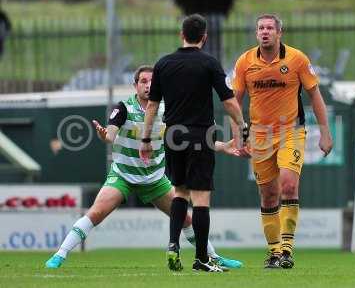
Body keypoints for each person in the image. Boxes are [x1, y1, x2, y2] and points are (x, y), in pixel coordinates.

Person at [45, 65, 243, 269]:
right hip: (123, 175)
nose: (148, 86)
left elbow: (191, 139)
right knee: (95, 213)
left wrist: (221, 146)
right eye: (143, 82)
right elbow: (111, 135)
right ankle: (60, 254)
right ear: (135, 85)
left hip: (155, 178)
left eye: (152, 81)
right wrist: (105, 136)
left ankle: (213, 257)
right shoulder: (124, 108)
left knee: (187, 219)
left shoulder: (168, 109)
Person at [140, 14, 248, 273]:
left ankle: (173, 245)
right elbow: (229, 101)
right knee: (200, 198)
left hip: (173, 135)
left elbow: (152, 106)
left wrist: (145, 138)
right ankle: (201, 258)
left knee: (179, 192)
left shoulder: (163, 64)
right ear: (205, 37)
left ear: (181, 35)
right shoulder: (209, 63)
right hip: (200, 135)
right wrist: (242, 127)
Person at [231, 14, 333, 269]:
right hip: (260, 135)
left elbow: (315, 96)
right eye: (260, 29)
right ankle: (274, 252)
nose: (264, 32)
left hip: (292, 131)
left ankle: (287, 249)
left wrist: (325, 132)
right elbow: (233, 102)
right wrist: (238, 136)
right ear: (257, 34)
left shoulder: (297, 59)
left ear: (279, 33)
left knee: (288, 185)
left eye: (269, 28)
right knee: (268, 194)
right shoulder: (245, 62)